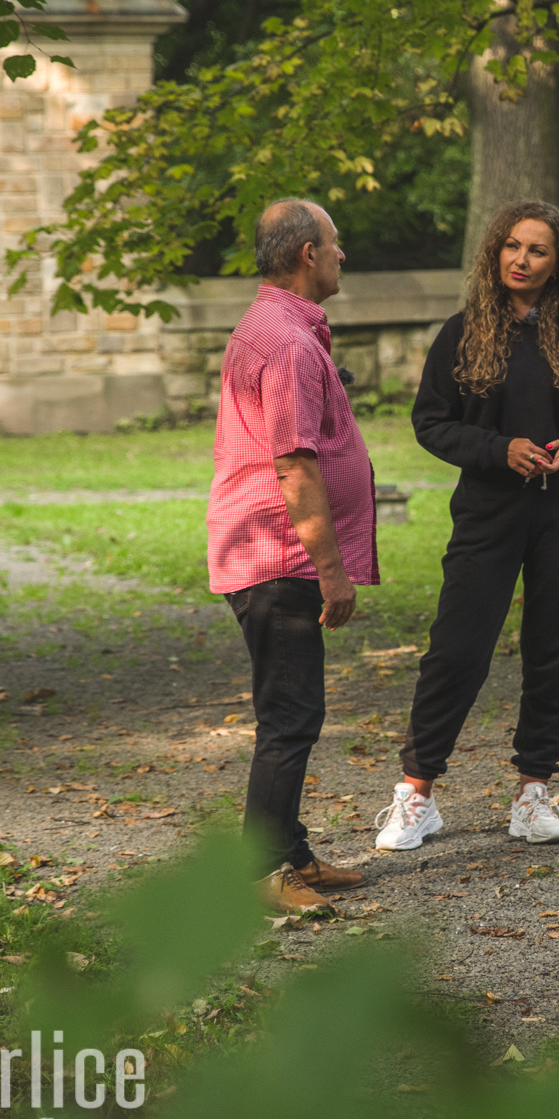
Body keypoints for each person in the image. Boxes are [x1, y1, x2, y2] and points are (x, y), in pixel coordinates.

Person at [374, 201, 559, 850]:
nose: (521, 258)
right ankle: (417, 792)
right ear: (495, 253)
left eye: (537, 250)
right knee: (457, 647)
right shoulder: (463, 332)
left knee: (557, 647)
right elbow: (431, 421)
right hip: (488, 510)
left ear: (558, 262)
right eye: (512, 246)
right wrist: (498, 448)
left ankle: (533, 790)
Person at [208, 199, 381, 917]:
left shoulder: (279, 327)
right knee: (289, 717)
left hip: (271, 551)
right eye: (337, 245)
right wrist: (332, 570)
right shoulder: (284, 341)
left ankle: (293, 851)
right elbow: (295, 465)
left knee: (292, 709)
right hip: (279, 557)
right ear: (308, 253)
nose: (344, 256)